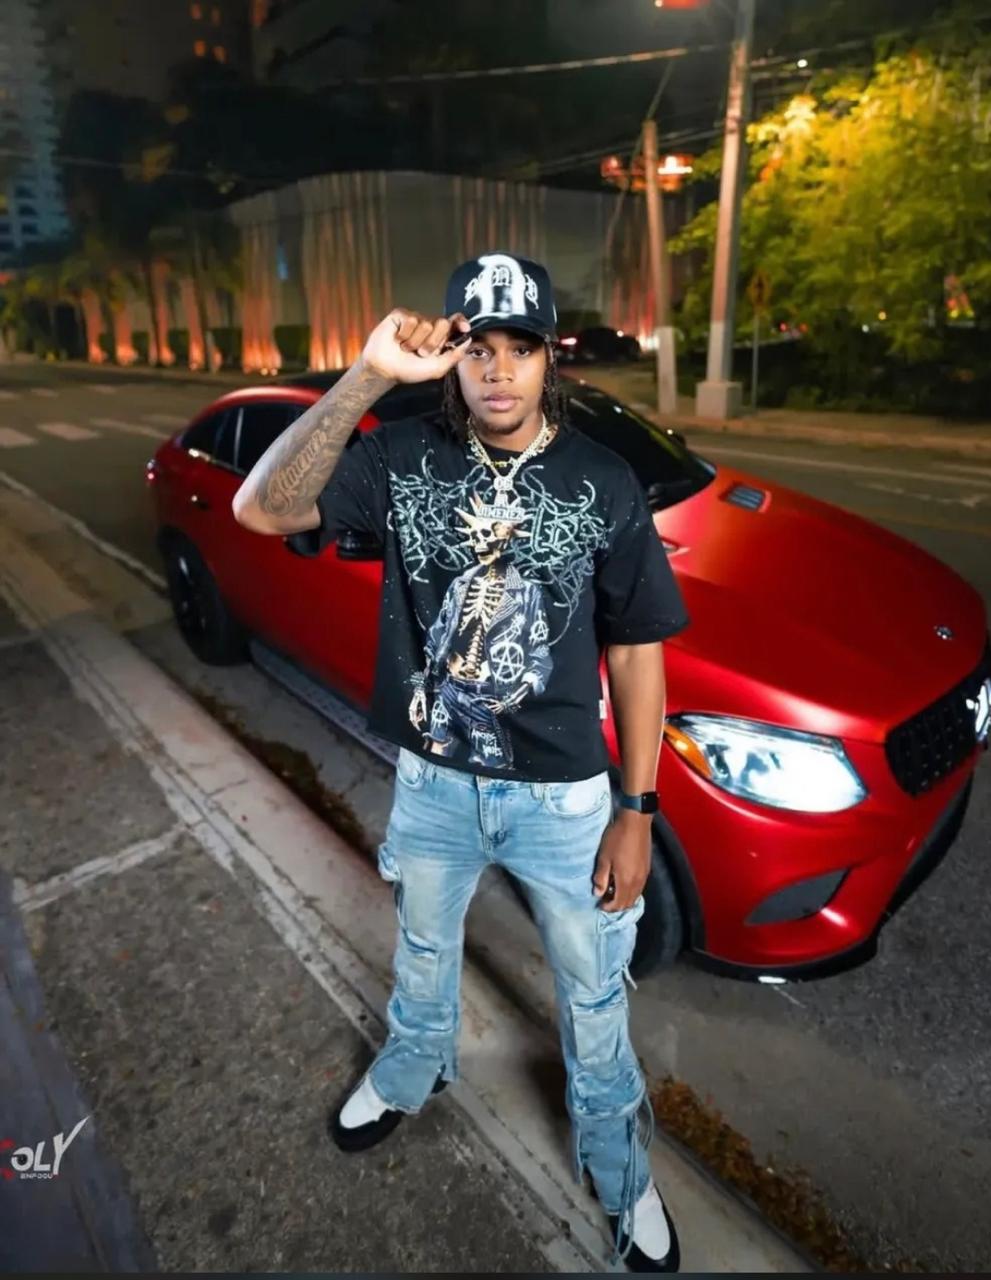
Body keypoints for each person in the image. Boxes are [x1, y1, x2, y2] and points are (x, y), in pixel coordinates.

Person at [232, 253, 689, 1271]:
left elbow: (635, 652)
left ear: (549, 359)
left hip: (562, 799)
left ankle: (618, 1170)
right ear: (449, 357)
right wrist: (367, 374)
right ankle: (413, 1068)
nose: (497, 370)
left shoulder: (602, 482)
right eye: (477, 348)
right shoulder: (400, 457)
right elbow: (261, 509)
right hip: (434, 782)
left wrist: (636, 810)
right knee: (424, 949)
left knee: (593, 992)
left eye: (520, 348)